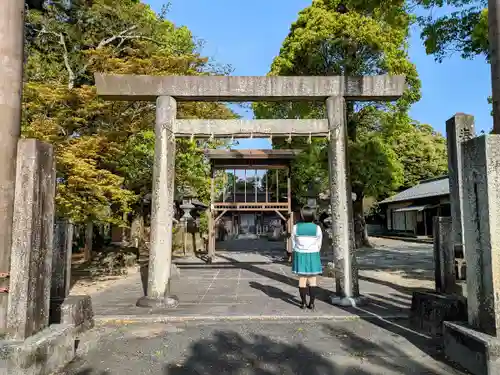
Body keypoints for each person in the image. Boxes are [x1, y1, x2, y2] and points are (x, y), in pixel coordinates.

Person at [291, 206, 323, 310]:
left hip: (300, 255)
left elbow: (293, 243)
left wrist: (298, 249)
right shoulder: (317, 228)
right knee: (313, 280)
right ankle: (312, 303)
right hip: (313, 255)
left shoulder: (296, 227)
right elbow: (319, 244)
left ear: (302, 215)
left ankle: (303, 303)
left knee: (302, 279)